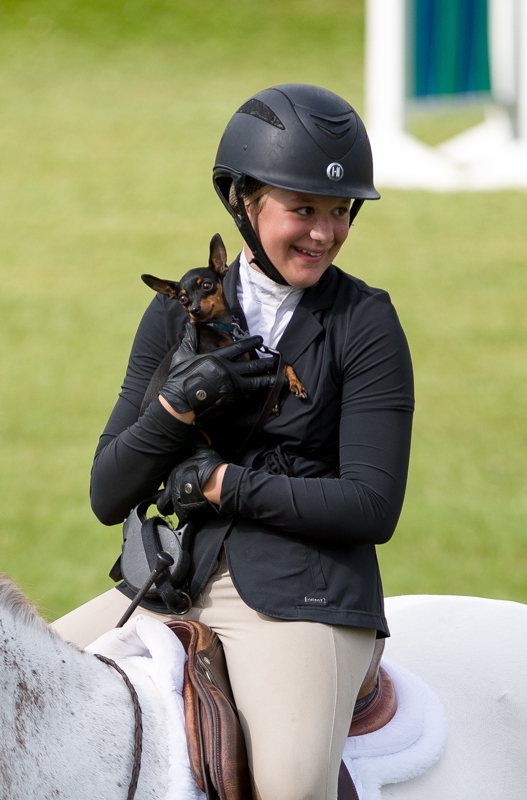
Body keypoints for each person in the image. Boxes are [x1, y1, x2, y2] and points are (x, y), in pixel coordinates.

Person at [52, 84, 414, 800]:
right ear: (242, 202)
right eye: (303, 209)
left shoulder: (364, 323)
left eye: (340, 213)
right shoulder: (176, 315)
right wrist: (177, 405)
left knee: (285, 787)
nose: (325, 233)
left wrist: (221, 486)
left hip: (305, 599)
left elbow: (372, 506)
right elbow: (106, 493)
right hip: (173, 583)